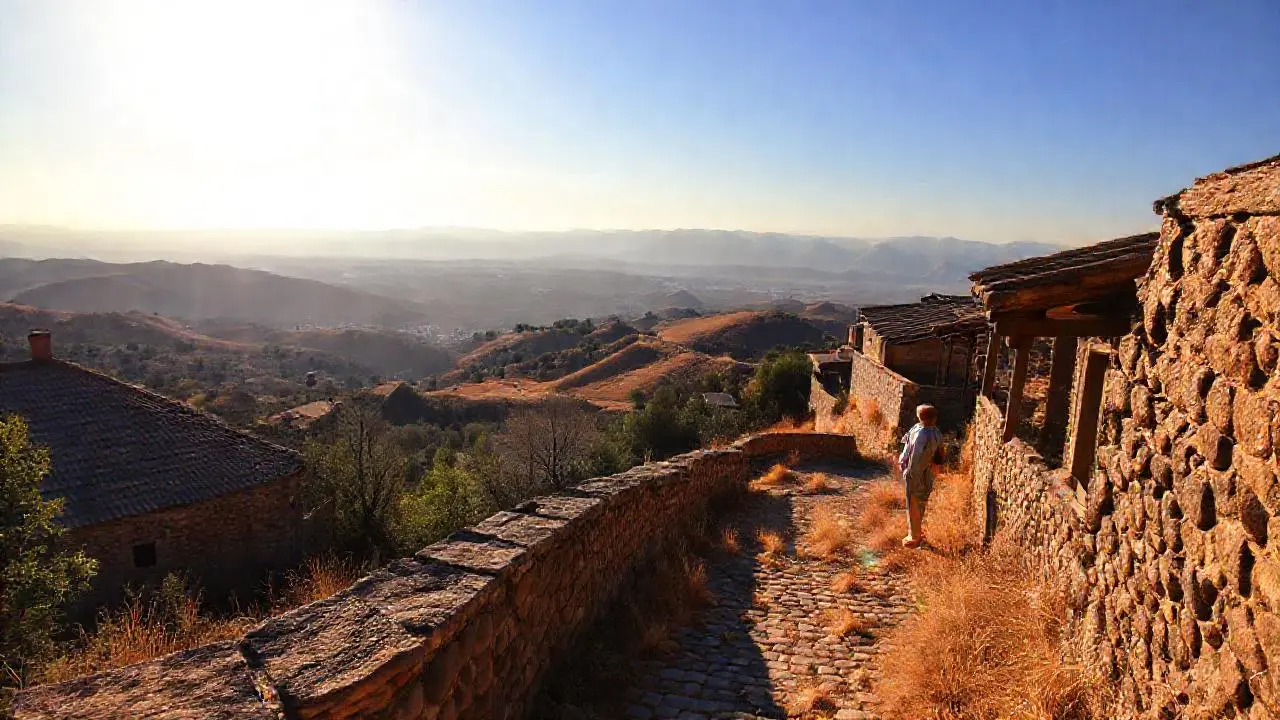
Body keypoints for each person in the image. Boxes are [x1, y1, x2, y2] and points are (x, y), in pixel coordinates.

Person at [898, 404, 942, 549]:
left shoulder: (923, 434)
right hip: (924, 473)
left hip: (917, 474)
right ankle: (915, 532)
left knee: (915, 503)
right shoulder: (930, 431)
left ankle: (915, 536)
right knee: (918, 502)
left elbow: (916, 457)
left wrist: (910, 472)